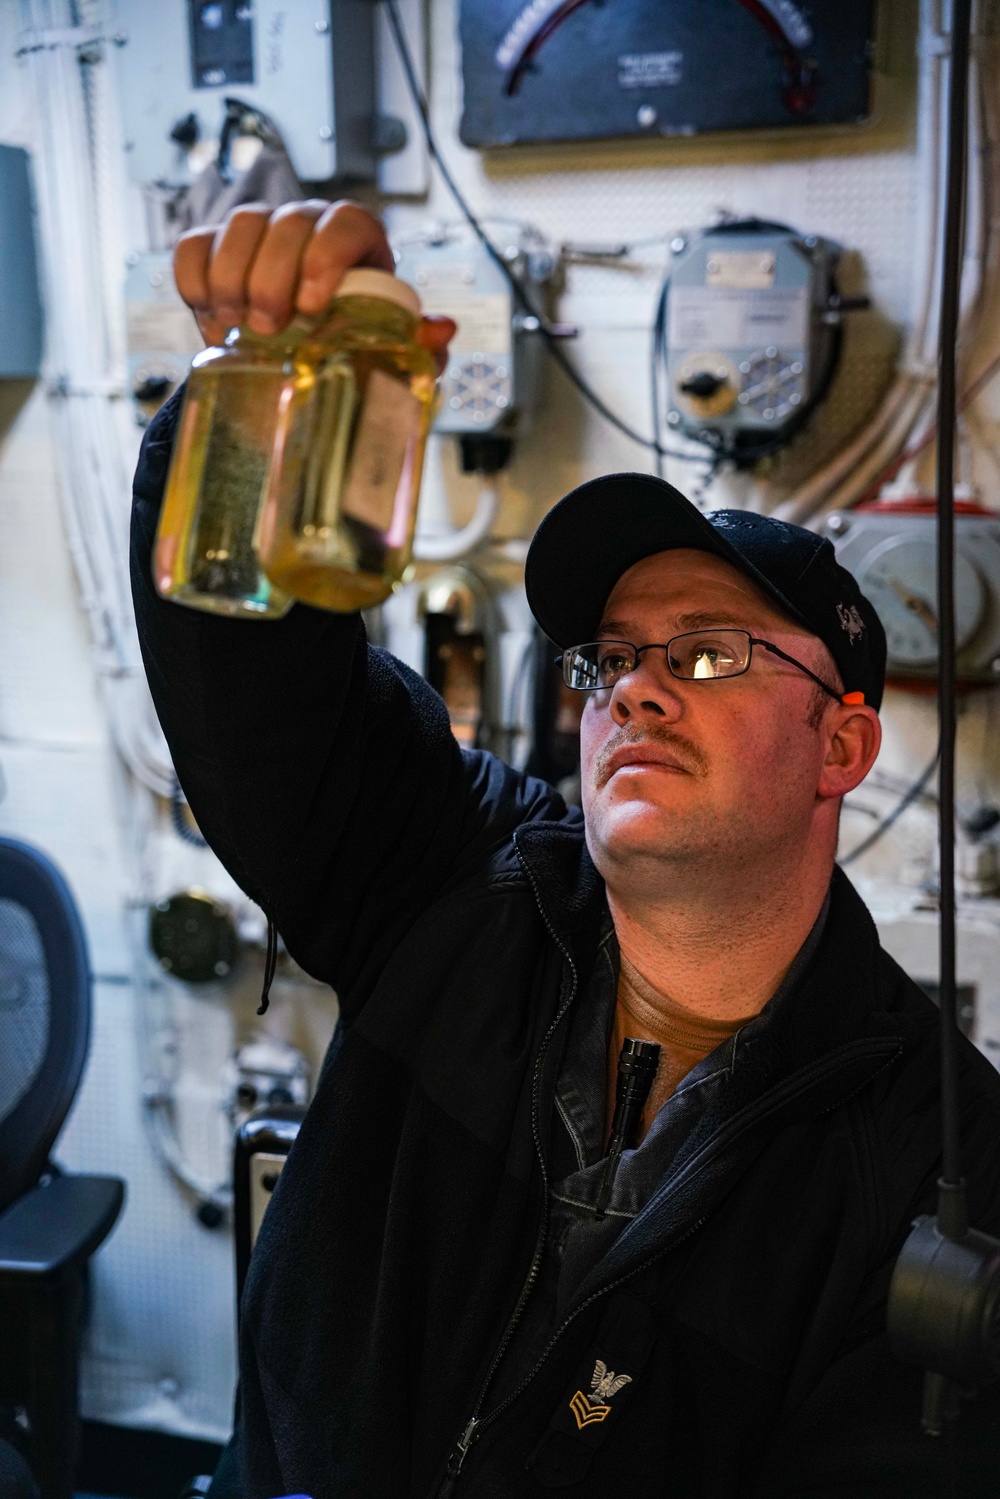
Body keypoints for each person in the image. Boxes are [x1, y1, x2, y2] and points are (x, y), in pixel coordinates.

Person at [132, 201, 1000, 1498]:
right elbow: (256, 680)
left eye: (709, 653)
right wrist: (264, 401)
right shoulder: (444, 882)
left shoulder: (937, 1159)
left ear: (843, 748)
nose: (636, 691)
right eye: (609, 659)